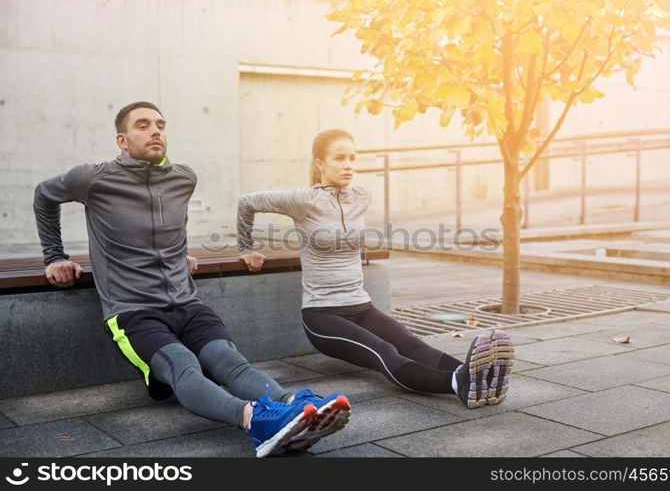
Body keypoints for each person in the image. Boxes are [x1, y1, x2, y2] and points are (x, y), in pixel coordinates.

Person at [33, 102, 350, 457]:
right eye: (143, 125)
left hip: (186, 302)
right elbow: (44, 196)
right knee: (183, 365)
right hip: (133, 312)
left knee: (229, 361)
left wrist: (178, 251)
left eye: (160, 124)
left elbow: (173, 221)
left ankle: (293, 406)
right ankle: (256, 420)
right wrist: (54, 256)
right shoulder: (92, 178)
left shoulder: (183, 177)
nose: (155, 131)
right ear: (122, 140)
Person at [236, 129, 514, 408]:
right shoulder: (302, 201)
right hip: (323, 314)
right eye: (340, 158)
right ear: (320, 163)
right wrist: (246, 247)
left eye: (353, 158)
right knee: (384, 352)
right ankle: (457, 384)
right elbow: (246, 202)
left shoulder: (360, 196)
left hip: (361, 305)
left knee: (413, 344)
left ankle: (479, 378)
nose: (349, 165)